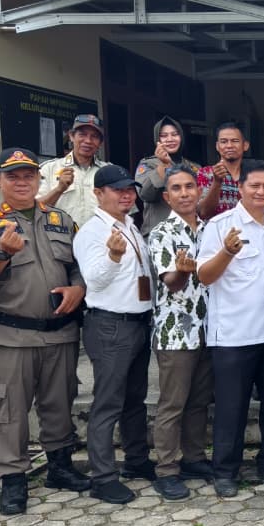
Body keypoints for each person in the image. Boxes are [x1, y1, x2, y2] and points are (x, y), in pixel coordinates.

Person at [0, 148, 88, 516]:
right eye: (13, 175)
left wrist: (78, 289)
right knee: (10, 411)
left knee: (59, 403)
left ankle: (60, 467)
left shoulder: (60, 219)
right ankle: (13, 480)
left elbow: (80, 267)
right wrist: (1, 255)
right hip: (10, 335)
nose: (22, 182)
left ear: (38, 179)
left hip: (59, 333)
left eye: (28, 175)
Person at [196, 160, 264, 497]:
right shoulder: (221, 226)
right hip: (235, 334)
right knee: (231, 408)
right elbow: (204, 275)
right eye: (255, 186)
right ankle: (225, 471)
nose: (261, 192)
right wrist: (227, 252)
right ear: (242, 187)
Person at [73, 164, 155, 506]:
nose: (126, 195)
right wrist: (113, 256)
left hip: (137, 321)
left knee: (135, 400)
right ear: (98, 194)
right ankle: (103, 477)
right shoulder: (92, 232)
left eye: (130, 189)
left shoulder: (130, 226)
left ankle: (136, 460)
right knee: (108, 402)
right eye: (118, 189)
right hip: (110, 325)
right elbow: (94, 280)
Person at [146, 165, 215, 501]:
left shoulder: (210, 230)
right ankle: (167, 469)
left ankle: (194, 458)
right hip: (176, 334)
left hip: (208, 329)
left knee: (199, 402)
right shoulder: (161, 233)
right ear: (166, 196)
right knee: (172, 404)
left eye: (190, 186)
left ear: (199, 190)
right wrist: (184, 274)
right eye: (177, 188)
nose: (185, 193)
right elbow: (170, 281)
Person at [135, 116, 201, 235]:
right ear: (157, 140)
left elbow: (201, 202)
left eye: (175, 134)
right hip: (158, 236)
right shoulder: (148, 164)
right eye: (164, 136)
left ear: (181, 137)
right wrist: (163, 165)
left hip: (189, 234)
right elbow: (145, 194)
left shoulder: (194, 167)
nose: (170, 139)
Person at [39, 113, 108, 225]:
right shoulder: (49, 169)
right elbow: (34, 208)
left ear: (100, 143)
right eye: (82, 134)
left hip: (99, 240)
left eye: (94, 136)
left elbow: (126, 212)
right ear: (71, 136)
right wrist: (59, 189)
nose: (88, 141)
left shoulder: (109, 171)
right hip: (61, 240)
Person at [197, 121, 251, 221]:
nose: (229, 145)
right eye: (224, 141)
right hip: (215, 233)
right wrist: (217, 182)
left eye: (235, 141)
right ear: (217, 146)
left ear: (245, 145)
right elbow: (203, 213)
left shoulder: (252, 175)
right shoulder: (205, 173)